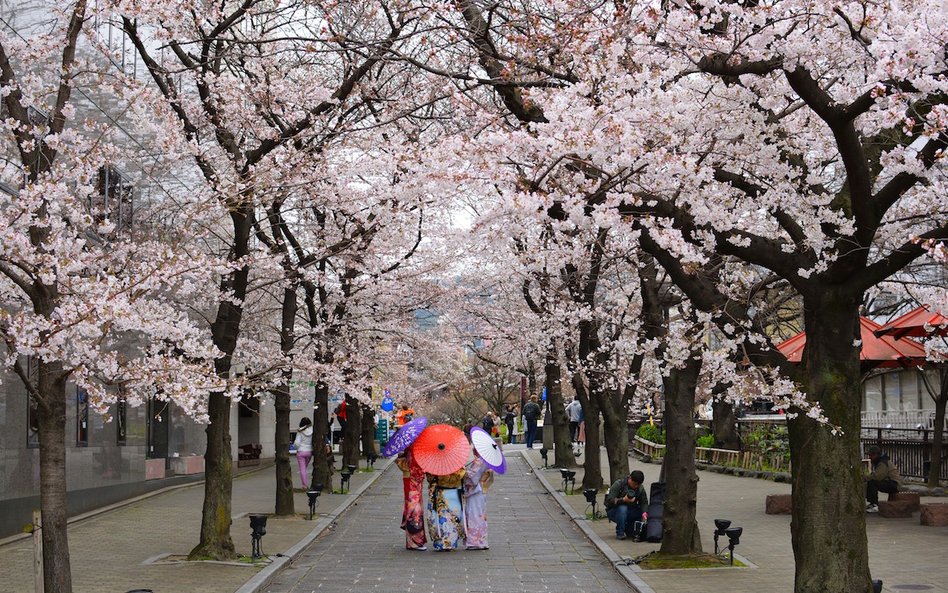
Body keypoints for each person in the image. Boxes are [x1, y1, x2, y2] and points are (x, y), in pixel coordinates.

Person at [395, 446, 428, 550]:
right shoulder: (414, 448)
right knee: (414, 510)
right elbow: (417, 469)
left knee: (412, 508)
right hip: (413, 480)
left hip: (410, 479)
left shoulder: (410, 447)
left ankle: (412, 541)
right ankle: (415, 541)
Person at [426, 468, 466, 551]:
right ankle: (451, 542)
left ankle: (441, 543)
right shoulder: (457, 463)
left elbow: (430, 479)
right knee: (454, 518)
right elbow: (462, 476)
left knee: (441, 519)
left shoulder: (435, 464)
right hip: (454, 492)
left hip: (440, 493)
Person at [463, 446, 494, 550]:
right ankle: (482, 540)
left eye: (475, 449)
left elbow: (472, 477)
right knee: (480, 514)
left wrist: (463, 471)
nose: (473, 450)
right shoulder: (487, 461)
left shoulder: (479, 461)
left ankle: (474, 541)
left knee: (474, 514)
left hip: (476, 490)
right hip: (482, 489)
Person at [605, 470, 648, 540]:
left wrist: (645, 513)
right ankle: (620, 533)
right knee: (623, 508)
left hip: (631, 510)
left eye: (638, 485)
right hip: (614, 511)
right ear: (630, 478)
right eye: (634, 484)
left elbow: (644, 502)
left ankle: (633, 529)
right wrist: (623, 500)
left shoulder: (640, 488)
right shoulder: (619, 484)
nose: (635, 486)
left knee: (642, 510)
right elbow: (608, 501)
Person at [865, 445, 902, 513]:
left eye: (871, 455)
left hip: (894, 484)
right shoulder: (881, 461)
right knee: (872, 481)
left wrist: (865, 478)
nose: (869, 457)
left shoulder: (882, 463)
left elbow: (877, 477)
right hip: (892, 483)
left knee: (872, 482)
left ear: (876, 454)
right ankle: (872, 504)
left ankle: (874, 505)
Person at [293, 418, 314, 489]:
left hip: (301, 452)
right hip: (309, 452)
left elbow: (297, 443)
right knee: (304, 468)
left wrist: (296, 448)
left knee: (302, 469)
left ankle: (305, 485)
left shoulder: (300, 431)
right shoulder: (313, 430)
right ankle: (306, 484)